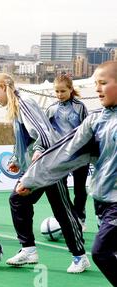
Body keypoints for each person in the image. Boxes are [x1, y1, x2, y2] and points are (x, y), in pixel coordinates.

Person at [17, 61, 117, 287]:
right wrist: (31, 179)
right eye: (96, 84)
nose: (98, 89)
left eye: (104, 83)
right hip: (102, 202)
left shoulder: (83, 110)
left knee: (100, 253)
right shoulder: (95, 120)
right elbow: (63, 152)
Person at [0, 73, 88, 273]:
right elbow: (24, 138)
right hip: (39, 167)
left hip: (48, 164)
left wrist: (40, 153)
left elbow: (42, 132)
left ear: (1, 87)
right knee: (18, 200)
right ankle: (29, 249)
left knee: (62, 210)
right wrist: (17, 161)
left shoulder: (24, 102)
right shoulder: (17, 107)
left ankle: (79, 256)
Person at [46, 74, 89, 231]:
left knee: (79, 188)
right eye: (56, 91)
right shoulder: (51, 109)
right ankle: (71, 217)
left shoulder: (80, 107)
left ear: (71, 89)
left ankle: (80, 217)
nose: (59, 95)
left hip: (79, 154)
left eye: (63, 91)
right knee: (61, 189)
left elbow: (88, 129)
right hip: (60, 156)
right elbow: (46, 132)